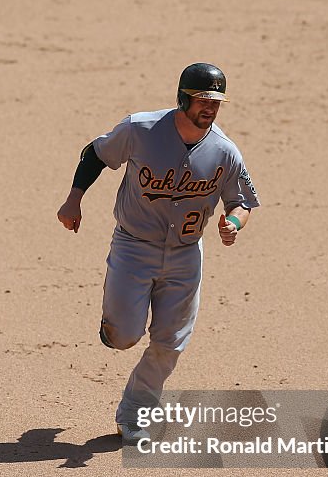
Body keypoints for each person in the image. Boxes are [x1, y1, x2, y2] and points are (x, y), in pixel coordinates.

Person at [56, 63, 261, 445]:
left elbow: (242, 201)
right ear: (184, 97)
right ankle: (114, 329)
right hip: (134, 247)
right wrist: (74, 199)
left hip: (186, 256)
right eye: (203, 100)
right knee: (124, 337)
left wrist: (233, 223)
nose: (210, 108)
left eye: (216, 102)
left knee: (170, 343)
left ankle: (133, 413)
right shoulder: (140, 129)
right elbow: (95, 153)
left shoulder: (225, 151)